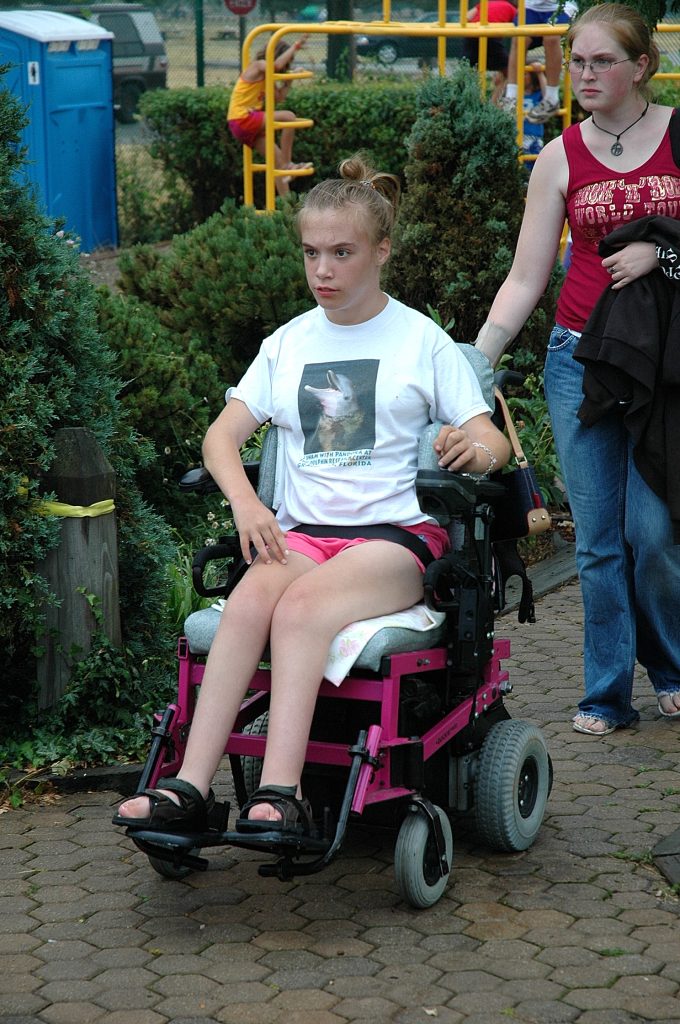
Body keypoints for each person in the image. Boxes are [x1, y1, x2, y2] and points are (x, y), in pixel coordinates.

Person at [113, 155, 511, 834]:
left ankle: (280, 793)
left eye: (342, 253)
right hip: (303, 534)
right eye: (311, 253)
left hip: (394, 538)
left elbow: (492, 441)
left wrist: (473, 450)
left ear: (381, 252)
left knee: (299, 611)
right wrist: (246, 502)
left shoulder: (421, 341)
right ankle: (188, 787)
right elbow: (220, 438)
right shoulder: (289, 342)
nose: (322, 270)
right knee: (246, 606)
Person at [473, 3, 680, 736]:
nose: (584, 75)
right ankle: (604, 693)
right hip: (578, 359)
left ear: (641, 66)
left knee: (653, 534)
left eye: (601, 62)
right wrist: (480, 355)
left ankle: (672, 664)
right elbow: (527, 276)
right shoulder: (561, 154)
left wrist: (664, 254)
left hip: (664, 366)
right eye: (577, 61)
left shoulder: (679, 136)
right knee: (596, 540)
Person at [227, 35, 312, 198]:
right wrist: (296, 45)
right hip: (243, 118)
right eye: (288, 59)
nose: (286, 65)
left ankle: (287, 209)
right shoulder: (258, 66)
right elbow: (277, 64)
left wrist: (289, 80)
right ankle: (288, 165)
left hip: (242, 124)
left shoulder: (268, 76)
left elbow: (278, 97)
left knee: (276, 162)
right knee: (289, 117)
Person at [499, 0, 577, 124]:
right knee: (519, 39)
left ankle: (551, 98)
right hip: (531, 6)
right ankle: (511, 96)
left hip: (560, 6)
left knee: (551, 37)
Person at [462, 0, 517, 99]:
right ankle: (494, 103)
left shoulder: (485, 3)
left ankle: (469, 101)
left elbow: (466, 16)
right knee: (511, 71)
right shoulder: (512, 9)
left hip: (472, 34)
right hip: (490, 36)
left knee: (469, 71)